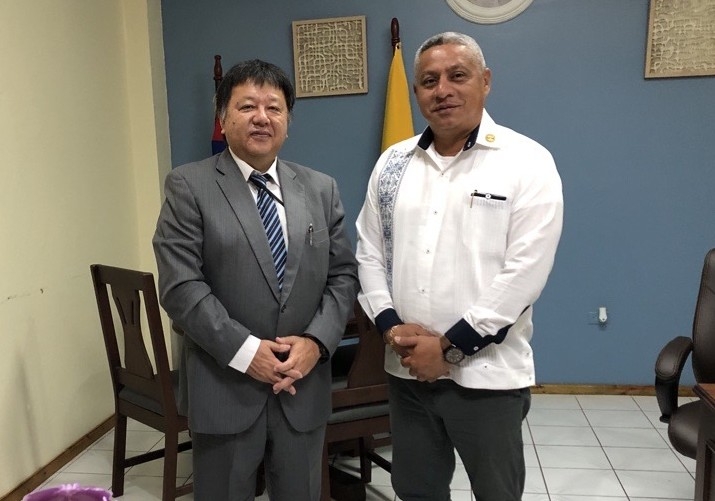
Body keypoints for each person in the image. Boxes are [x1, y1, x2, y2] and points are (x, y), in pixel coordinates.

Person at [356, 32, 563, 500]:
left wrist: (448, 349)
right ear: (416, 92)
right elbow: (369, 252)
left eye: (457, 75)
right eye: (430, 81)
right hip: (407, 372)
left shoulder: (526, 161)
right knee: (416, 490)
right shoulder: (392, 163)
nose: (443, 90)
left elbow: (525, 273)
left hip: (486, 377)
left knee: (496, 492)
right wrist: (392, 329)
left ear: (485, 81)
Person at [153, 59, 358, 501]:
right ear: (223, 117)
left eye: (274, 107)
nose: (262, 117)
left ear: (288, 121)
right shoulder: (188, 186)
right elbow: (180, 286)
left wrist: (316, 343)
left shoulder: (321, 189)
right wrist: (248, 354)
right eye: (247, 106)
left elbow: (343, 275)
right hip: (224, 386)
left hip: (302, 384)